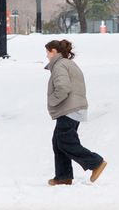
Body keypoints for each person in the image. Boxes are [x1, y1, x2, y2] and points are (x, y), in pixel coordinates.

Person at [44, 39, 106, 186]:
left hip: (69, 109)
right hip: (73, 108)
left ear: (54, 51)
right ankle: (63, 176)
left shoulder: (60, 65)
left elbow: (63, 88)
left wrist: (52, 101)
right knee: (59, 142)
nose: (46, 56)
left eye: (47, 52)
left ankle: (95, 162)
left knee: (65, 142)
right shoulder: (66, 63)